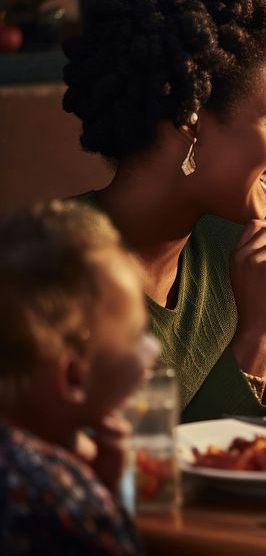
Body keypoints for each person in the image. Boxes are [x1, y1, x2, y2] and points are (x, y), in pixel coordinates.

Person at [62, 0, 266, 422]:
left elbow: (247, 459)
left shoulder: (237, 253)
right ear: (189, 121)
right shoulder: (53, 269)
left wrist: (265, 327)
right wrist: (256, 332)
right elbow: (131, 472)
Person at [0, 200, 160, 554]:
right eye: (136, 335)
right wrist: (101, 500)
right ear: (73, 376)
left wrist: (100, 482)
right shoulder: (59, 499)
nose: (154, 350)